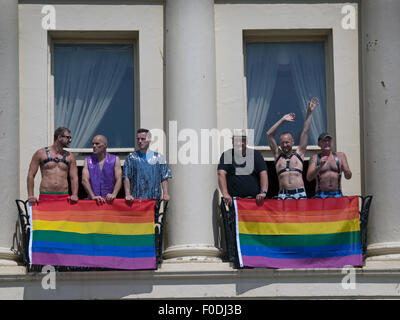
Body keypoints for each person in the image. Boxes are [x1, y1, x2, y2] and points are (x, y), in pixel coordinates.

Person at [266, 97, 319, 199]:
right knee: (283, 216)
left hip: (299, 194)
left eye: (287, 142)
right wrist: (282, 120)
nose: (285, 145)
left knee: (301, 216)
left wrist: (309, 112)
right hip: (283, 195)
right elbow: (269, 135)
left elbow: (305, 131)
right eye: (282, 143)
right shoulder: (278, 155)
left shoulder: (299, 153)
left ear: (292, 142)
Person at [27, 126, 79, 205]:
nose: (70, 140)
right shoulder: (41, 153)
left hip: (64, 196)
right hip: (45, 195)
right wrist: (31, 195)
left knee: (63, 218)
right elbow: (31, 174)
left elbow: (74, 177)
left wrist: (75, 194)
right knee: (45, 218)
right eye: (68, 137)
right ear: (59, 137)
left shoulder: (70, 156)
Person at [217, 131, 268, 207]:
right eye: (237, 140)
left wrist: (263, 192)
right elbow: (221, 173)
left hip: (255, 201)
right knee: (234, 219)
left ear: (246, 141)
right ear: (232, 141)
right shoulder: (227, 155)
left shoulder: (255, 154)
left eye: (242, 140)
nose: (239, 143)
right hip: (234, 202)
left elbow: (263, 173)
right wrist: (225, 194)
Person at [123, 128, 171, 203]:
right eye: (138, 139)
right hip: (136, 200)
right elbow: (126, 177)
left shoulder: (159, 157)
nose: (140, 141)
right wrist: (127, 194)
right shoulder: (131, 158)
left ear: (149, 140)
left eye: (143, 139)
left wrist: (165, 193)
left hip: (154, 200)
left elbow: (164, 177)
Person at [306, 132, 352, 198]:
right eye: (324, 141)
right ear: (319, 144)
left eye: (329, 141)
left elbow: (348, 177)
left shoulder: (341, 156)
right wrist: (319, 167)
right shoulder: (315, 158)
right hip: (321, 195)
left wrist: (347, 172)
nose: (327, 143)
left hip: (337, 194)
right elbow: (309, 178)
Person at [82, 135, 122, 204]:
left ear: (105, 145)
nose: (94, 146)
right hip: (92, 201)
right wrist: (92, 196)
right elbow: (84, 180)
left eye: (97, 144)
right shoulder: (88, 160)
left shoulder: (115, 159)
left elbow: (119, 179)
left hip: (110, 201)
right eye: (93, 144)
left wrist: (114, 194)